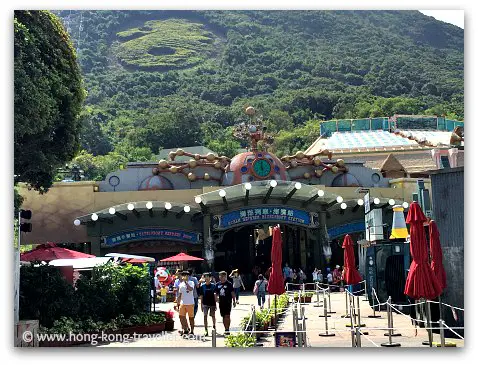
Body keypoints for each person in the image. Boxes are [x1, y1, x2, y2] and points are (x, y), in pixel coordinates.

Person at [214, 271, 236, 336]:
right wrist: (216, 297)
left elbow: (232, 293)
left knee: (227, 315)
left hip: (228, 302)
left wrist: (234, 301)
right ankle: (225, 328)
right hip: (221, 303)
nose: (221, 277)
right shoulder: (218, 284)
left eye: (223, 276)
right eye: (220, 276)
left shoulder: (229, 284)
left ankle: (227, 329)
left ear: (225, 277)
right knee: (223, 316)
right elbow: (215, 292)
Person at [175, 271, 196, 336]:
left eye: (186, 275)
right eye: (183, 275)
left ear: (188, 276)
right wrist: (177, 303)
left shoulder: (191, 282)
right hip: (183, 303)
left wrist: (186, 283)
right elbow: (180, 294)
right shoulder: (180, 284)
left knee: (191, 318)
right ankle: (185, 329)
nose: (185, 277)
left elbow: (190, 289)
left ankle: (192, 331)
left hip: (190, 303)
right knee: (181, 317)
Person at [199, 272, 216, 337]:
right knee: (205, 316)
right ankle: (206, 330)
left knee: (213, 316)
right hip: (205, 304)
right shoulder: (202, 286)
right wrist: (201, 305)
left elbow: (215, 296)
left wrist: (215, 304)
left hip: (212, 304)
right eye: (205, 277)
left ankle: (214, 326)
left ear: (210, 278)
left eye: (207, 277)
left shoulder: (213, 286)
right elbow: (201, 296)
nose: (206, 278)